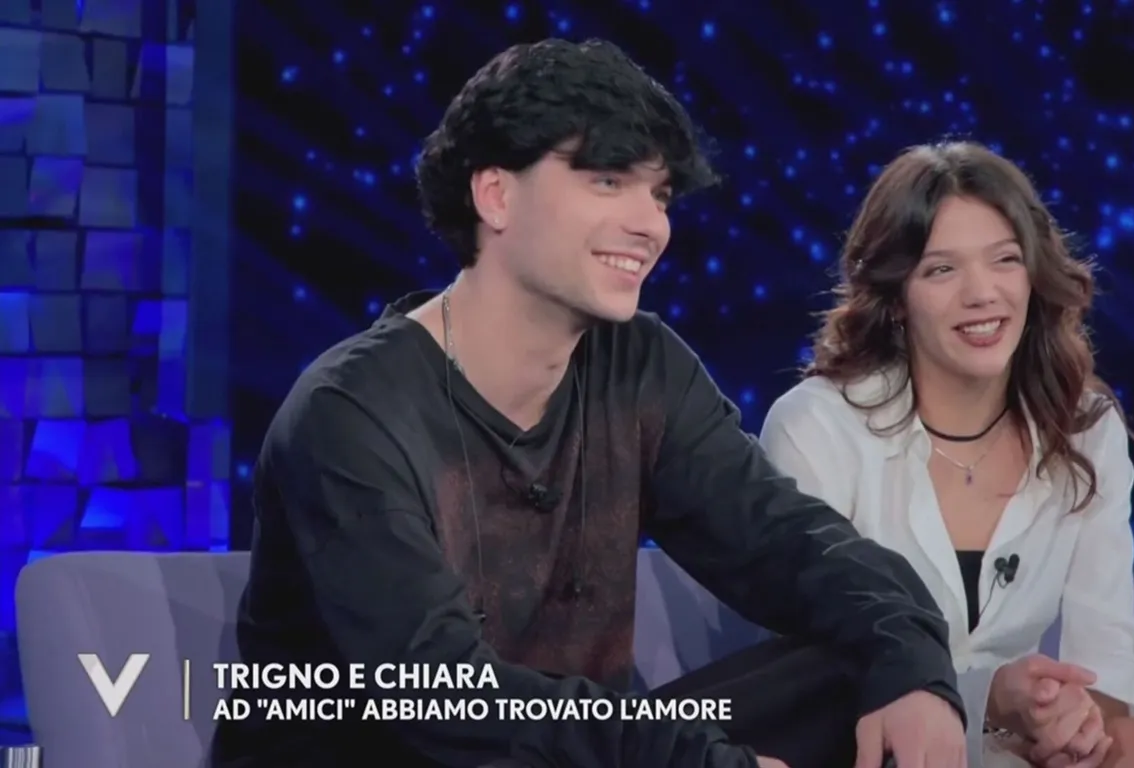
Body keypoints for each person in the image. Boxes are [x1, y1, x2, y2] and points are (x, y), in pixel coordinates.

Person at [211, 39, 970, 768]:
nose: (650, 224)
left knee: (864, 667)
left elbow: (788, 543)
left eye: (659, 193)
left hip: (575, 751)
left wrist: (912, 664)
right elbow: (440, 699)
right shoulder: (350, 414)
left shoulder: (641, 365)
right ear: (495, 194)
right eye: (608, 181)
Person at [758, 142, 1134, 768]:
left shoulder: (1082, 427)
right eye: (942, 270)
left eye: (1005, 260)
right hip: (872, 732)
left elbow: (1106, 640)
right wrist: (986, 696)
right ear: (896, 295)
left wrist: (1074, 720)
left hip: (1019, 740)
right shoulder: (818, 428)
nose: (982, 293)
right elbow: (811, 666)